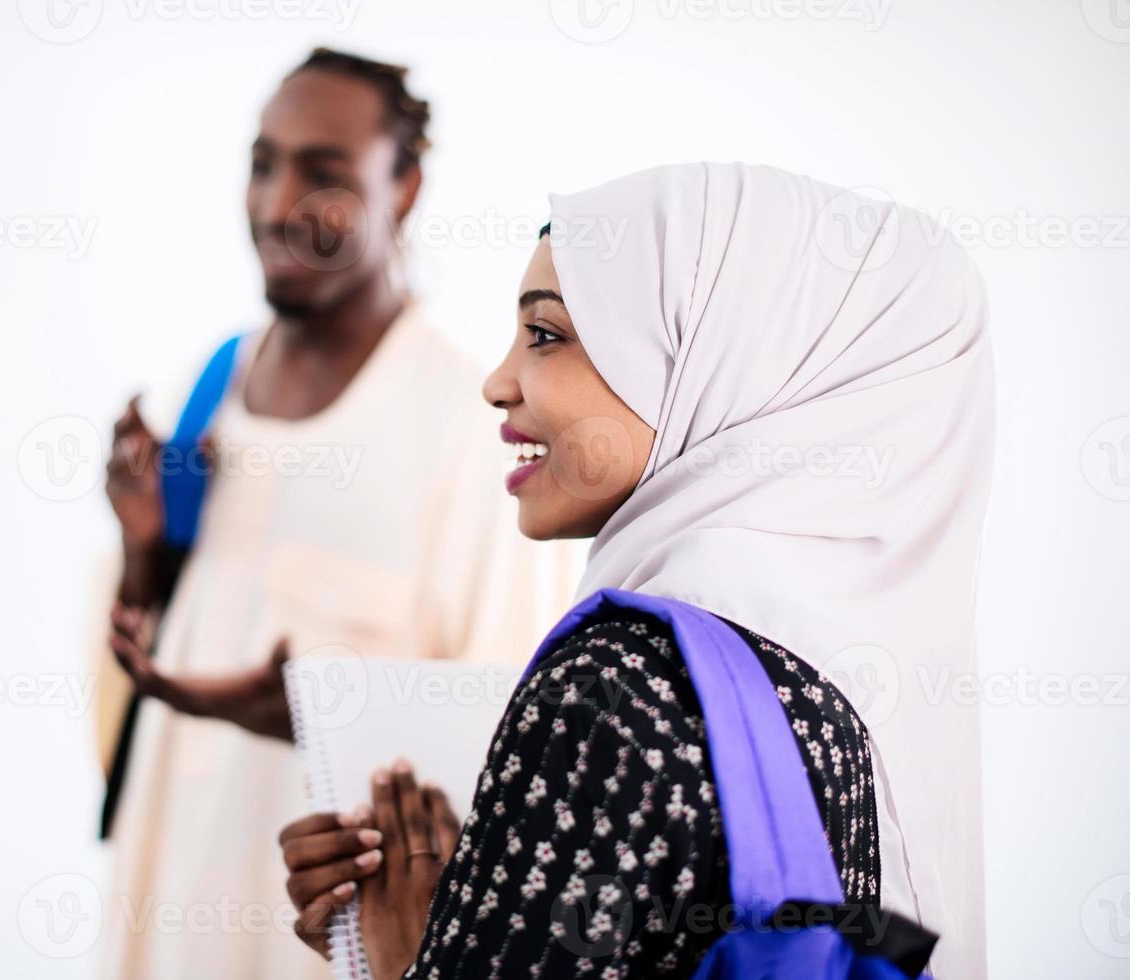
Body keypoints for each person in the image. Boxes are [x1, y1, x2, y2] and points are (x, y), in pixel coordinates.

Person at [280, 162, 993, 978]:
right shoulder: (838, 709)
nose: (496, 381)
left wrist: (403, 947)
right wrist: (485, 900)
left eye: (545, 334)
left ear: (717, 361)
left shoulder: (612, 684)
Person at [92, 49, 570, 979]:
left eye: (325, 174)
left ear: (406, 186)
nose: (277, 206)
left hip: (318, 942)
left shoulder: (468, 420)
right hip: (169, 895)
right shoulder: (215, 382)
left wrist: (319, 715)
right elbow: (153, 637)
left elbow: (506, 738)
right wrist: (142, 547)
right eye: (263, 164)